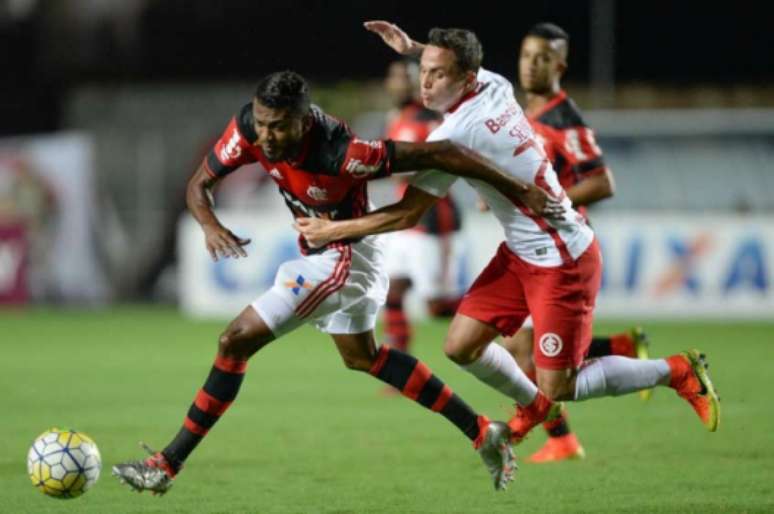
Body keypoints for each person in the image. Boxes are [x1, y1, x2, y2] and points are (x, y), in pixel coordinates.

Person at [111, 70, 560, 494]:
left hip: (345, 256)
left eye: (280, 127)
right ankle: (482, 432)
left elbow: (445, 155)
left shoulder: (343, 153)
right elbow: (198, 184)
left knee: (234, 340)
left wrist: (520, 189)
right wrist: (210, 225)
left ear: (304, 121)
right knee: (363, 358)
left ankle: (166, 466)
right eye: (263, 124)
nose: (267, 138)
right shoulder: (251, 126)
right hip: (325, 253)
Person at [295, 21, 720, 453]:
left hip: (562, 259)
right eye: (422, 70)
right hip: (520, 254)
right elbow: (455, 65)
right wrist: (413, 47)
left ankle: (676, 371)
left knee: (561, 385)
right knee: (461, 346)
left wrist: (334, 229)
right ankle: (533, 407)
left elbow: (407, 213)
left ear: (464, 78)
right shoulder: (494, 84)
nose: (424, 82)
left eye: (436, 74)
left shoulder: (453, 137)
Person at [499, 22, 652, 463]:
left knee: (523, 348)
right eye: (527, 56)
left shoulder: (565, 117)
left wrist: (548, 201)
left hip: (559, 252)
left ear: (559, 65)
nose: (531, 65)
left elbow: (603, 182)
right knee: (520, 346)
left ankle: (560, 435)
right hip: (533, 247)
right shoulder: (529, 115)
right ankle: (615, 352)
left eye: (542, 58)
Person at [381, 59, 464, 359]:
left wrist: (374, 166)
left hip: (432, 220)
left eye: (404, 78)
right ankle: (399, 368)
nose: (397, 83)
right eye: (393, 77)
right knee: (391, 292)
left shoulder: (429, 119)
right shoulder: (399, 116)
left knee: (437, 307)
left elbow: (427, 163)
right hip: (405, 220)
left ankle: (507, 321)